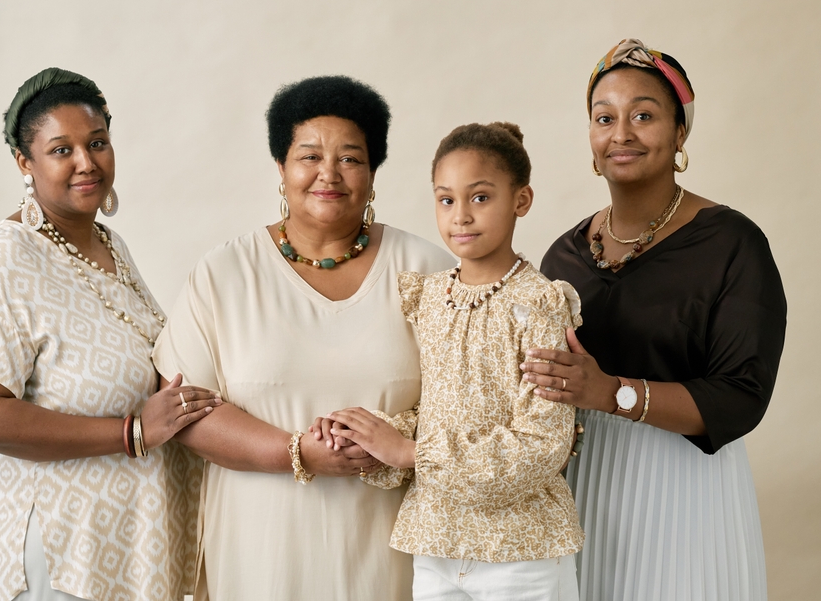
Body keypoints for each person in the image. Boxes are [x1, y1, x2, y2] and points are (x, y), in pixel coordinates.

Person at [151, 75, 454, 600]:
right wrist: (297, 452)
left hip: (392, 554)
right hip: (259, 552)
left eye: (351, 158)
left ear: (374, 171)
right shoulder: (225, 273)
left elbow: (472, 404)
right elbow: (185, 413)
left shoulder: (429, 271)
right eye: (309, 155)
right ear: (281, 168)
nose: (328, 174)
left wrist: (395, 440)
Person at [0, 68, 220, 601]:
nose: (86, 162)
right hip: (63, 554)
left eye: (97, 143)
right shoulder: (3, 259)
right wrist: (131, 432)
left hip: (127, 544)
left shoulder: (109, 246)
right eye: (61, 150)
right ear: (26, 163)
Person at [522, 39, 787, 601]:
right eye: (604, 118)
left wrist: (612, 392)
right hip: (579, 489)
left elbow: (742, 395)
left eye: (644, 114)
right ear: (591, 140)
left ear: (679, 134)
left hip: (686, 492)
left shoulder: (732, 243)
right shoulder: (563, 255)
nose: (622, 133)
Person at [328, 122, 584, 601]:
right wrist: (373, 435)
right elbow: (442, 412)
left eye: (480, 198)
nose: (461, 216)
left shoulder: (540, 303)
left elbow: (544, 443)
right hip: (437, 546)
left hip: (520, 554)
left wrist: (410, 453)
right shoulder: (431, 298)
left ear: (521, 201)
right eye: (446, 200)